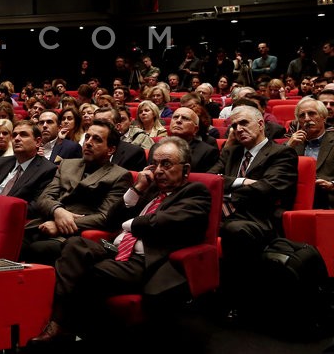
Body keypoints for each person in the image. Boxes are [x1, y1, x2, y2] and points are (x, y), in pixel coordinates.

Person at [30, 138, 211, 345]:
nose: (159, 170)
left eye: (166, 164)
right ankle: (59, 323)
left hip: (145, 260)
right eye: (155, 164)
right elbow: (111, 219)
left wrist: (130, 224)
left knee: (89, 272)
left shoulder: (195, 193)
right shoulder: (150, 189)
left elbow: (163, 221)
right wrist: (137, 188)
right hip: (116, 250)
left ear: (185, 170)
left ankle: (66, 327)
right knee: (74, 245)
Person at [208, 105, 297, 312]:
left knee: (234, 229)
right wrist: (242, 181)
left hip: (258, 218)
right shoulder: (231, 152)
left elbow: (268, 188)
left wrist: (228, 190)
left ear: (260, 124)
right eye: (234, 125)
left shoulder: (282, 153)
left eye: (244, 123)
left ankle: (237, 301)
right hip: (224, 214)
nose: (238, 129)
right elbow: (210, 179)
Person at [21, 119, 134, 265]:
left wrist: (61, 225)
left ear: (111, 149)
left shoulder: (120, 176)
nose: (88, 142)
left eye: (97, 139)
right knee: (12, 241)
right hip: (44, 223)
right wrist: (57, 211)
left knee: (38, 249)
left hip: (76, 235)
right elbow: (45, 197)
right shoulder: (67, 164)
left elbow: (105, 217)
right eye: (87, 137)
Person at [0, 121, 56, 217]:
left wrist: (0, 208)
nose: (17, 139)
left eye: (23, 135)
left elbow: (35, 207)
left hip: (9, 217)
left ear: (37, 142)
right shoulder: (0, 162)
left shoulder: (47, 170)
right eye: (14, 135)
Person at [286, 97, 334, 208]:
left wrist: (332, 185)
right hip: (295, 200)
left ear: (324, 118)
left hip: (328, 200)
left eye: (312, 114)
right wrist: (288, 147)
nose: (307, 119)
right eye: (302, 116)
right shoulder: (292, 144)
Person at [156, 107, 219, 174]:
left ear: (195, 129)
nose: (178, 121)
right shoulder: (157, 147)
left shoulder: (207, 152)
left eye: (185, 118)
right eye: (175, 117)